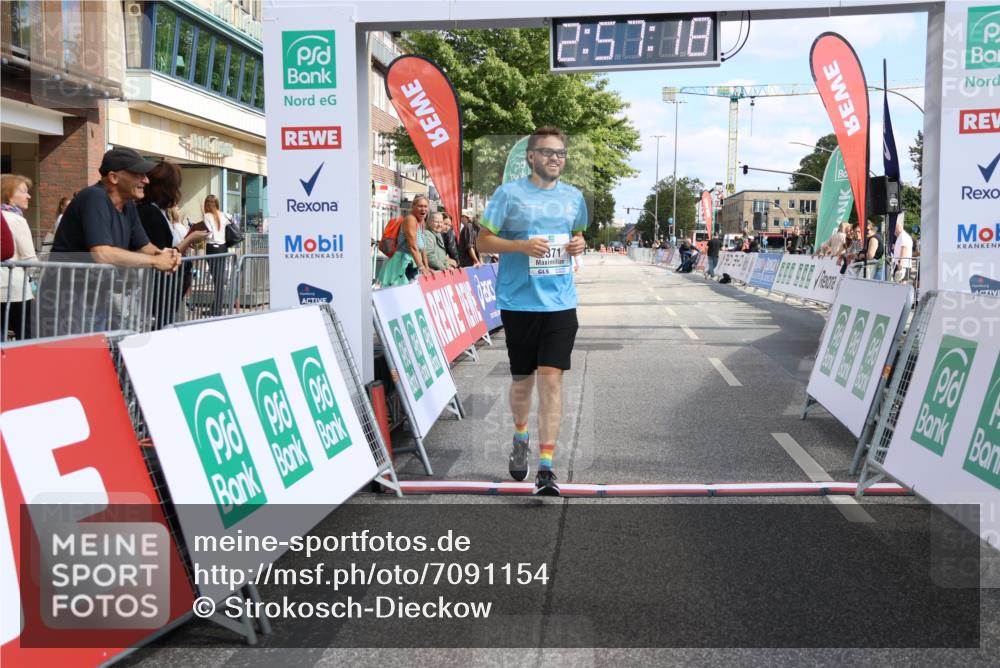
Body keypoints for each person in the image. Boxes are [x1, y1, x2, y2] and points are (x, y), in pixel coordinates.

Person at [475, 127, 587, 496]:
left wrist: (578, 244)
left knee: (551, 381)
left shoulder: (574, 197)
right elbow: (483, 241)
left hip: (560, 303)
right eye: (547, 152)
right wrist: (521, 246)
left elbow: (579, 235)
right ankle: (520, 436)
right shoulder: (508, 195)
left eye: (560, 153)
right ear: (531, 156)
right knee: (523, 382)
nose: (555, 158)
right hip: (519, 302)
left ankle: (546, 467)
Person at [41, 148, 180, 336]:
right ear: (114, 177)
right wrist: (156, 261)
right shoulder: (94, 197)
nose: (146, 180)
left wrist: (166, 255)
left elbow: (144, 246)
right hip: (68, 299)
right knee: (81, 353)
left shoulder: (128, 205)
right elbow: (102, 253)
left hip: (96, 296)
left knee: (109, 347)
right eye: (138, 174)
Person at [136, 161, 210, 328]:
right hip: (160, 289)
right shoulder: (150, 213)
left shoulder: (158, 211)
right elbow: (162, 254)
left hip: (166, 288)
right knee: (164, 326)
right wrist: (189, 239)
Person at [1, 174, 38, 339]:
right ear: (9, 195)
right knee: (25, 338)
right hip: (16, 289)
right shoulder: (17, 220)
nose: (28, 196)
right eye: (23, 191)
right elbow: (30, 260)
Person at [378, 195, 432, 286]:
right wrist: (422, 267)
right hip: (399, 265)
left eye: (425, 206)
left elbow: (423, 248)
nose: (423, 209)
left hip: (411, 265)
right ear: (413, 206)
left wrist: (427, 267)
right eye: (420, 206)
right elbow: (413, 247)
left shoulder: (422, 221)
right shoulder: (410, 219)